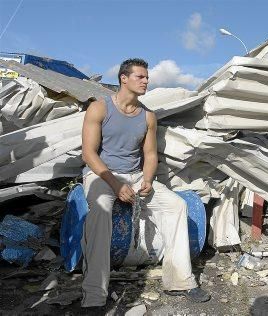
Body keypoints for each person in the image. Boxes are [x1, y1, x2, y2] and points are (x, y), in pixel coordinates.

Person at [81, 58, 210, 308]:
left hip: (135, 175)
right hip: (101, 174)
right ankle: (95, 296)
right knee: (100, 211)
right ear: (123, 78)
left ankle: (180, 282)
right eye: (140, 77)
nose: (146, 81)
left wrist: (148, 180)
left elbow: (150, 155)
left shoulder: (147, 116)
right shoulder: (99, 108)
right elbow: (89, 153)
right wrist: (116, 185)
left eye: (147, 77)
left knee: (177, 206)